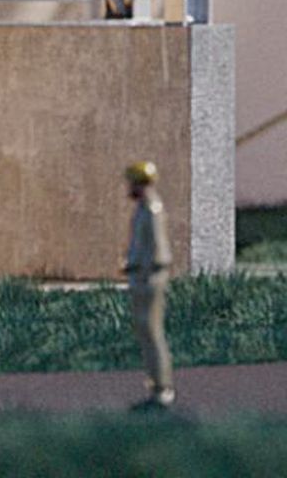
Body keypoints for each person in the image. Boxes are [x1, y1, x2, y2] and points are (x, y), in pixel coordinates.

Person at [123, 157, 174, 411]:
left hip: (149, 276)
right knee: (146, 331)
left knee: (152, 332)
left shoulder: (152, 209)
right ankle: (155, 385)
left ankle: (162, 388)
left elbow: (157, 249)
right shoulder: (143, 208)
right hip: (141, 274)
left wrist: (144, 270)